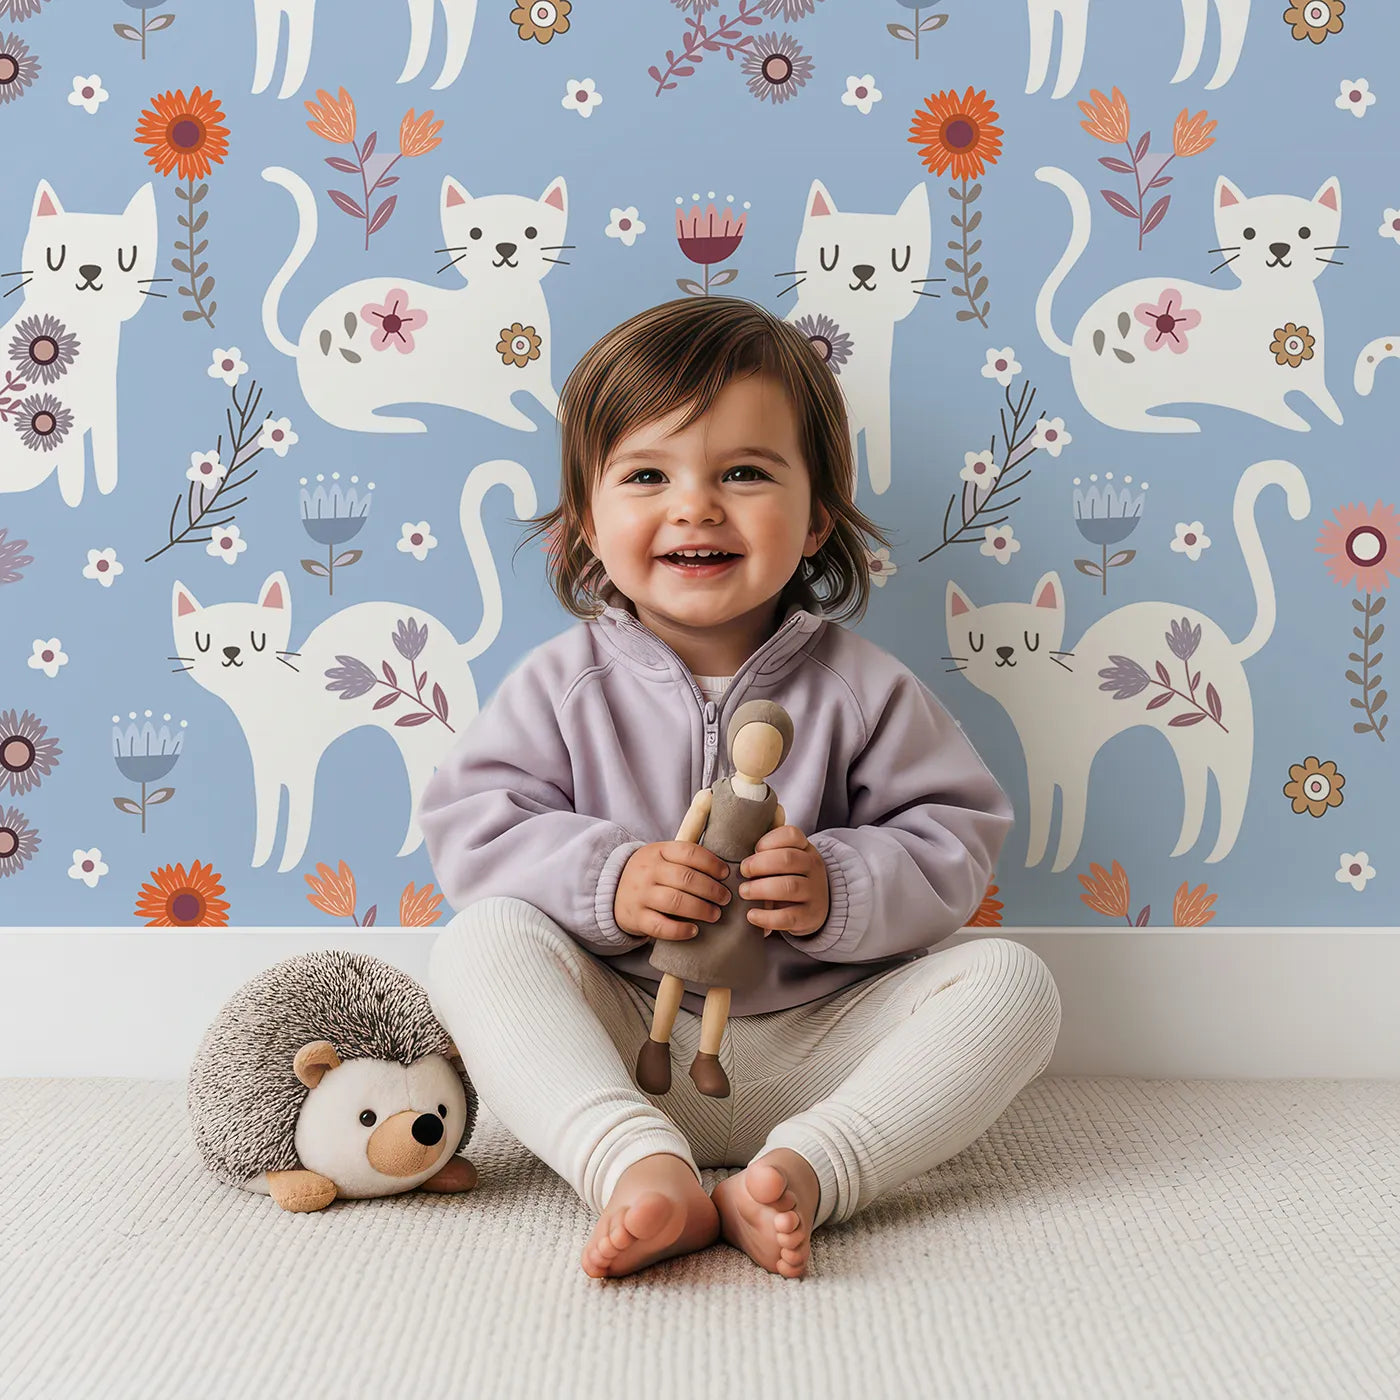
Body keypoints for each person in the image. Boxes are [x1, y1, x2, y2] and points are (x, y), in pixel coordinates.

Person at [420, 295, 1061, 1282]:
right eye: (646, 475)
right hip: (630, 1034)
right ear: (588, 522)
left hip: (822, 1045)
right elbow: (473, 826)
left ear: (816, 521)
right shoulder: (561, 683)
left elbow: (954, 834)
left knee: (1013, 983)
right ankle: (634, 1167)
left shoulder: (863, 686)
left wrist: (836, 884)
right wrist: (611, 876)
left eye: (744, 473)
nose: (695, 506)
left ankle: (806, 1171)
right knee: (480, 941)